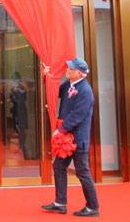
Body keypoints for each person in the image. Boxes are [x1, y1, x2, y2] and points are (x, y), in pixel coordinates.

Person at [42, 57, 100, 217]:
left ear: (80, 73)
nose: (67, 70)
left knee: (82, 172)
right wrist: (47, 77)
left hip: (78, 139)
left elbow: (77, 115)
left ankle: (92, 207)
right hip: (67, 139)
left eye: (71, 69)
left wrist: (60, 129)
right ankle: (60, 203)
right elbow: (54, 92)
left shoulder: (86, 91)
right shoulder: (69, 84)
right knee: (58, 167)